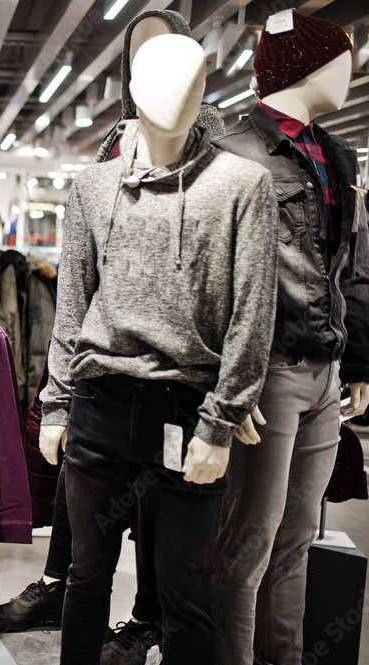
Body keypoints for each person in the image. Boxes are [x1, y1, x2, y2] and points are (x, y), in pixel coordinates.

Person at [39, 33, 278, 665]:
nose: (179, 93)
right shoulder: (92, 187)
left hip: (186, 410)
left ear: (208, 90)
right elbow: (72, 303)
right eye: (163, 79)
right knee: (86, 579)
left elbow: (252, 314)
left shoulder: (241, 184)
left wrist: (220, 423)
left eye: (194, 79)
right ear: (136, 90)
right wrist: (57, 404)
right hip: (100, 402)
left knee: (184, 594)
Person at [212, 13, 369, 664]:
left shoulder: (336, 154)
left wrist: (358, 360)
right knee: (248, 541)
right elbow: (207, 274)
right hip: (266, 370)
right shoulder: (231, 150)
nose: (352, 69)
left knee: (298, 536)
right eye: (342, 57)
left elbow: (352, 266)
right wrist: (229, 379)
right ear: (307, 61)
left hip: (324, 375)